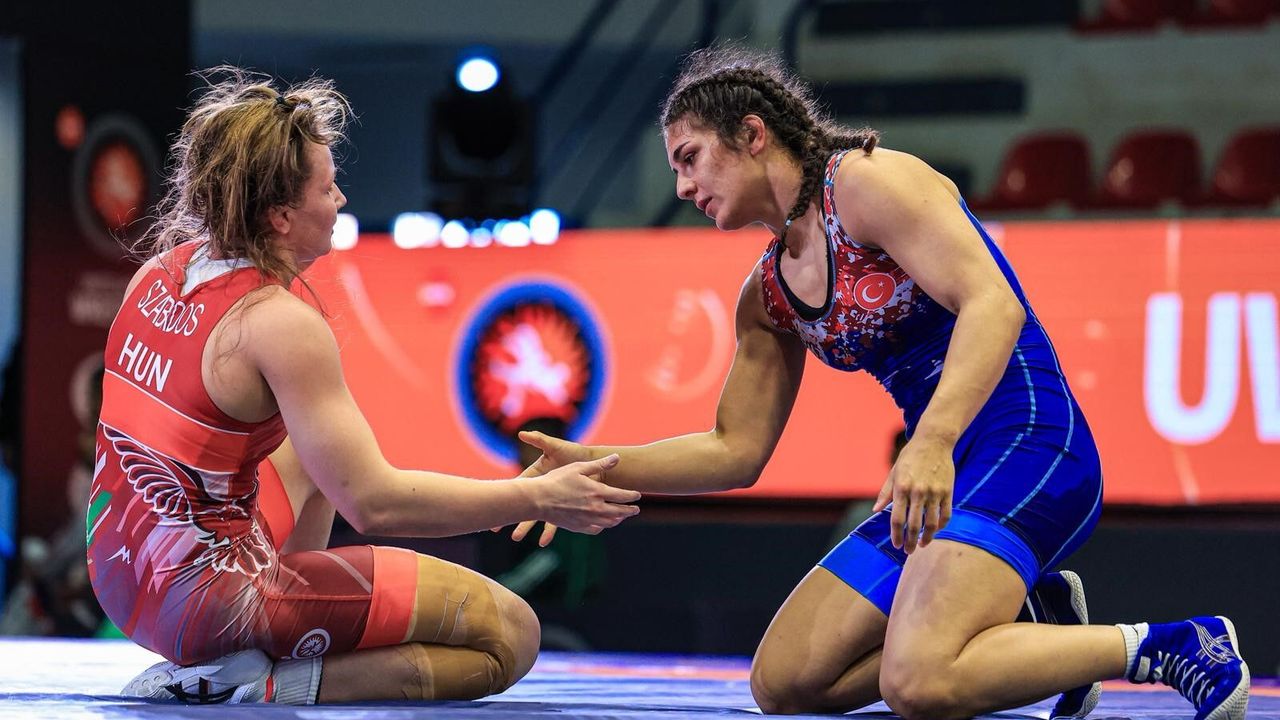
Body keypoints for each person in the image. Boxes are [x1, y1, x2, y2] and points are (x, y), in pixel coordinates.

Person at [509, 46, 1249, 720]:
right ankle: (1032, 622)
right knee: (786, 683)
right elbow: (734, 449)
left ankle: (1170, 643)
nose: (681, 185)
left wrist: (931, 441)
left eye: (691, 158)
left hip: (1029, 442)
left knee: (919, 681)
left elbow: (993, 304)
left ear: (753, 134)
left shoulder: (867, 182)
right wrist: (592, 466)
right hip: (944, 466)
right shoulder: (767, 296)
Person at [87, 67, 641, 705]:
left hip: (119, 576)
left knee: (316, 453)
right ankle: (252, 685)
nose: (342, 200)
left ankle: (262, 645)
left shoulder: (160, 273)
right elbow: (375, 505)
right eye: (328, 187)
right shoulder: (277, 323)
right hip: (206, 600)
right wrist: (535, 497)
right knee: (512, 635)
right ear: (281, 215)